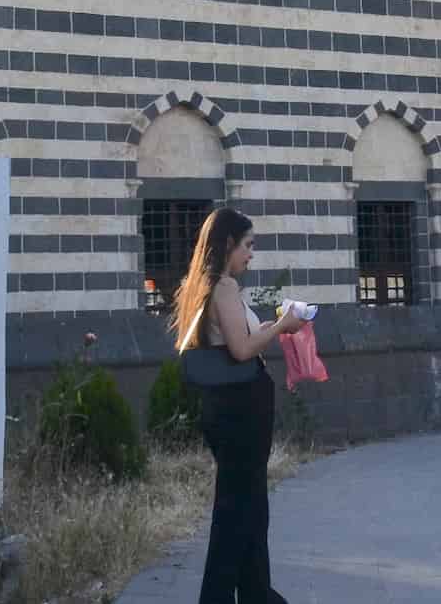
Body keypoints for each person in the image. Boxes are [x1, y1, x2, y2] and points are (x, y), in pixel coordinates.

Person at [171, 207, 308, 603]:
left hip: (227, 407)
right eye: (248, 245)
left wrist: (268, 328)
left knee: (245, 509)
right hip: (240, 409)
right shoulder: (224, 286)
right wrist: (282, 327)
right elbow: (242, 349)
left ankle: (256, 593)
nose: (251, 254)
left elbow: (236, 341)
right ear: (228, 243)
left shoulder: (207, 286)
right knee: (239, 513)